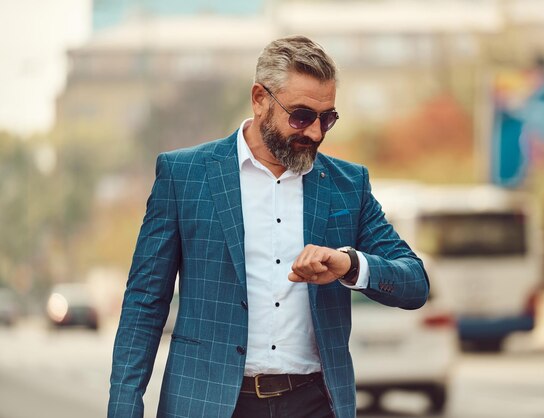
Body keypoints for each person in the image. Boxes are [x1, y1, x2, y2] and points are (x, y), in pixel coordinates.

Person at [108, 34, 429, 418]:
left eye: (327, 118)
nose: (315, 132)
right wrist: (124, 408)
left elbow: (415, 283)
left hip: (315, 403)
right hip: (207, 403)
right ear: (260, 99)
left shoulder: (348, 186)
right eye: (301, 116)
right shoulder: (185, 176)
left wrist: (351, 265)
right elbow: (145, 303)